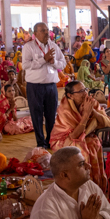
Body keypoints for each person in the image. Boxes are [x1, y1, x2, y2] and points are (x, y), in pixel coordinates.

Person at [50, 81, 110, 192]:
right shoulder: (65, 109)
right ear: (70, 95)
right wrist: (86, 115)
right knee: (80, 148)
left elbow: (107, 122)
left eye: (85, 89)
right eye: (80, 91)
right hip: (65, 140)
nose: (85, 93)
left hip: (87, 137)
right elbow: (73, 136)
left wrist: (92, 110)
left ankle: (96, 187)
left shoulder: (90, 102)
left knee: (93, 143)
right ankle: (80, 187)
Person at [22, 22, 66, 150]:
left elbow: (62, 63)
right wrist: (43, 59)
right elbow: (25, 65)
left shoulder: (54, 46)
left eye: (47, 30)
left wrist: (54, 62)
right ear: (35, 34)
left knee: (51, 115)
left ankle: (50, 141)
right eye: (43, 31)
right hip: (35, 86)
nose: (46, 33)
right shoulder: (29, 47)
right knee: (37, 116)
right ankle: (41, 143)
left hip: (51, 86)